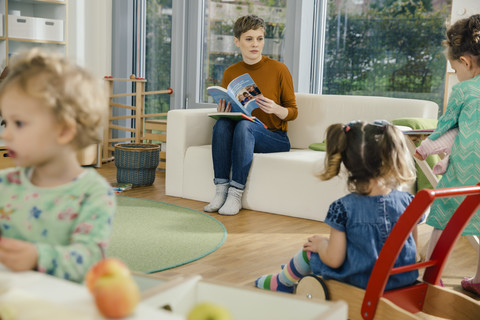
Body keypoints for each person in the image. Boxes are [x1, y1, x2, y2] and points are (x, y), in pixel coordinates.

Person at [255, 120, 419, 293]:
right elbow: (414, 252)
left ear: (347, 163)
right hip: (403, 278)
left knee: (311, 249)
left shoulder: (343, 207)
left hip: (361, 282)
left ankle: (282, 282)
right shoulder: (408, 202)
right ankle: (293, 272)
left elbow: (334, 259)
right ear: (390, 157)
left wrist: (321, 245)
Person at [0, 49, 116, 283]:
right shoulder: (5, 183)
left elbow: (90, 260)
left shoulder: (94, 194)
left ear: (63, 130)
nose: (6, 134)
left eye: (19, 123)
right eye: (5, 122)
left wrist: (37, 257)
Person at [204, 15, 298, 216]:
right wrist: (225, 112)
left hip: (275, 138)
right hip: (244, 130)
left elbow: (293, 112)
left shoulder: (279, 70)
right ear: (237, 41)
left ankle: (235, 194)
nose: (255, 44)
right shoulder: (231, 71)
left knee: (245, 127)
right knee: (222, 125)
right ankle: (221, 189)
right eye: (249, 39)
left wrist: (276, 109)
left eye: (260, 38)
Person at [422, 14, 480, 296]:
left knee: (442, 218)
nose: (457, 73)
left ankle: (431, 278)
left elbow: (445, 126)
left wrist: (426, 147)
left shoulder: (464, 90)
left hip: (465, 170)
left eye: (455, 68)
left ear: (465, 62)